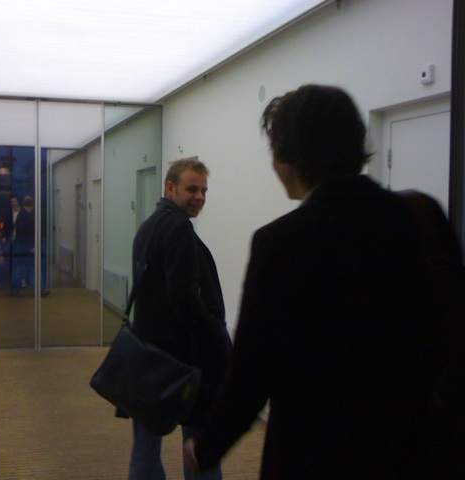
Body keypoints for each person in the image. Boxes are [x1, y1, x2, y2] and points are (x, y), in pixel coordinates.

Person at [183, 84, 446, 479]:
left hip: (313, 454)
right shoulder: (421, 216)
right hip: (408, 447)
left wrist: (206, 447)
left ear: (289, 156)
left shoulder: (281, 242)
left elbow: (252, 374)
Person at [128, 158, 232, 480]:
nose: (199, 196)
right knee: (199, 445)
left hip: (149, 358)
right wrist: (216, 339)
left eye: (203, 190)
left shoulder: (149, 227)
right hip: (184, 360)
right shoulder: (178, 227)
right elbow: (185, 298)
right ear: (170, 188)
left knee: (145, 447)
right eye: (192, 189)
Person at [11, 195, 35, 296]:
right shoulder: (27, 215)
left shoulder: (21, 214)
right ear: (33, 205)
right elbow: (29, 232)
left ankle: (16, 290)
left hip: (19, 244)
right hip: (26, 244)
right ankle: (39, 288)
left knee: (19, 268)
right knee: (32, 267)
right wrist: (32, 246)